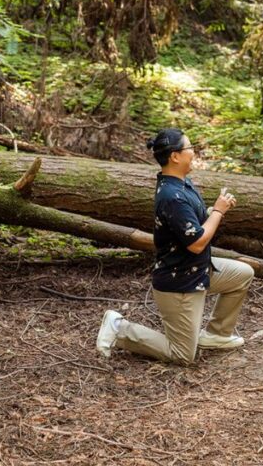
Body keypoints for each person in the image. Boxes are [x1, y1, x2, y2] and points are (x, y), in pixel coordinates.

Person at [96, 128, 254, 364]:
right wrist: (218, 212)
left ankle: (216, 333)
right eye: (190, 148)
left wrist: (214, 211)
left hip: (198, 270)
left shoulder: (182, 184)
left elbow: (193, 224)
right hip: (180, 281)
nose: (194, 152)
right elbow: (197, 244)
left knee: (243, 274)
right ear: (175, 156)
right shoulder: (172, 196)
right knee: (183, 355)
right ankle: (119, 328)